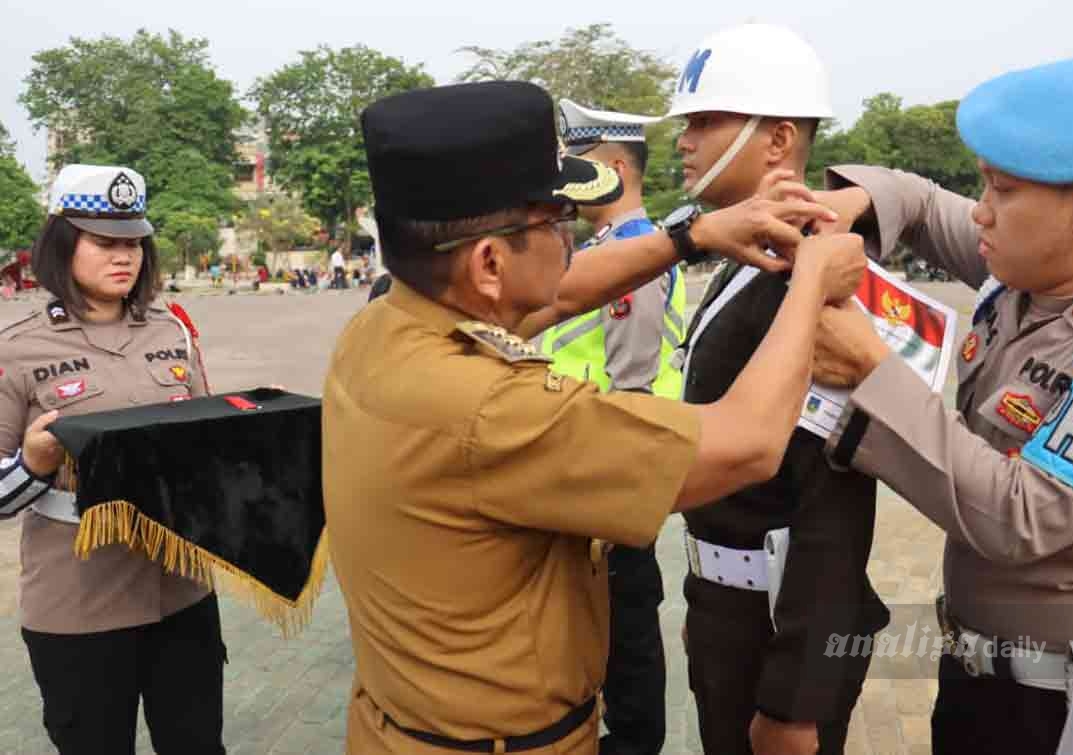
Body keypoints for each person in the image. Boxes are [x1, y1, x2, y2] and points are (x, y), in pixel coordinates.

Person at [322, 80, 866, 755]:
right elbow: (747, 443)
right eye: (557, 221)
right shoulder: (493, 409)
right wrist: (811, 279)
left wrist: (694, 235)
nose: (574, 237)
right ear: (490, 262)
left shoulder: (384, 324)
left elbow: (555, 294)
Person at [807, 58, 1073, 755]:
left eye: (1001, 188)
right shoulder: (1029, 264)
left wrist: (873, 370)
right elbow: (921, 204)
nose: (979, 209)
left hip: (1054, 711)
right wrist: (851, 205)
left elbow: (1026, 513)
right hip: (973, 677)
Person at [662, 24, 889, 755]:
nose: (684, 141)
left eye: (703, 121)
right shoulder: (749, 257)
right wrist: (708, 592)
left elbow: (835, 511)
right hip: (734, 608)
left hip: (784, 633)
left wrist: (798, 700)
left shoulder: (810, 280)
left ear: (777, 139)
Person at [0, 164, 227, 754]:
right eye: (104, 242)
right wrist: (33, 462)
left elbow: (202, 439)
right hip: (81, 605)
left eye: (133, 241)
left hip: (182, 592)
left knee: (198, 746)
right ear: (62, 243)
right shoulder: (19, 350)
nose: (123, 255)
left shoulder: (170, 330)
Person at [538, 98, 682, 755]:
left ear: (617, 168)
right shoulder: (607, 247)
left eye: (583, 168)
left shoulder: (635, 255)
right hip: (581, 462)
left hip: (614, 471)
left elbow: (632, 383)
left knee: (627, 630)